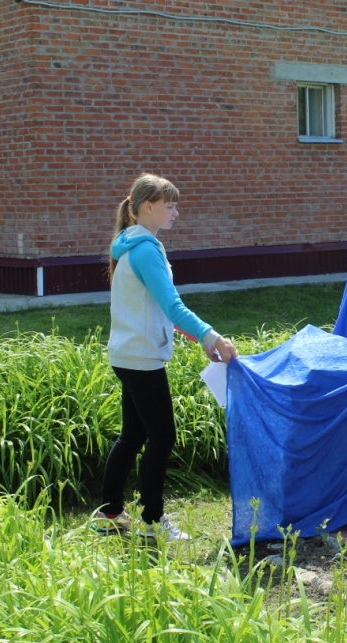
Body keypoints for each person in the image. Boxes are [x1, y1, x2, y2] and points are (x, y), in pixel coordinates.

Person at [95, 173, 239, 541]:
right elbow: (172, 305)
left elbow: (156, 309)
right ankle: (152, 523)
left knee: (133, 435)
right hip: (141, 358)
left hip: (128, 354)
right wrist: (214, 336)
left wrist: (198, 338)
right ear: (148, 207)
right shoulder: (145, 250)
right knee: (161, 436)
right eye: (170, 205)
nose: (176, 212)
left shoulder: (132, 244)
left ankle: (110, 513)